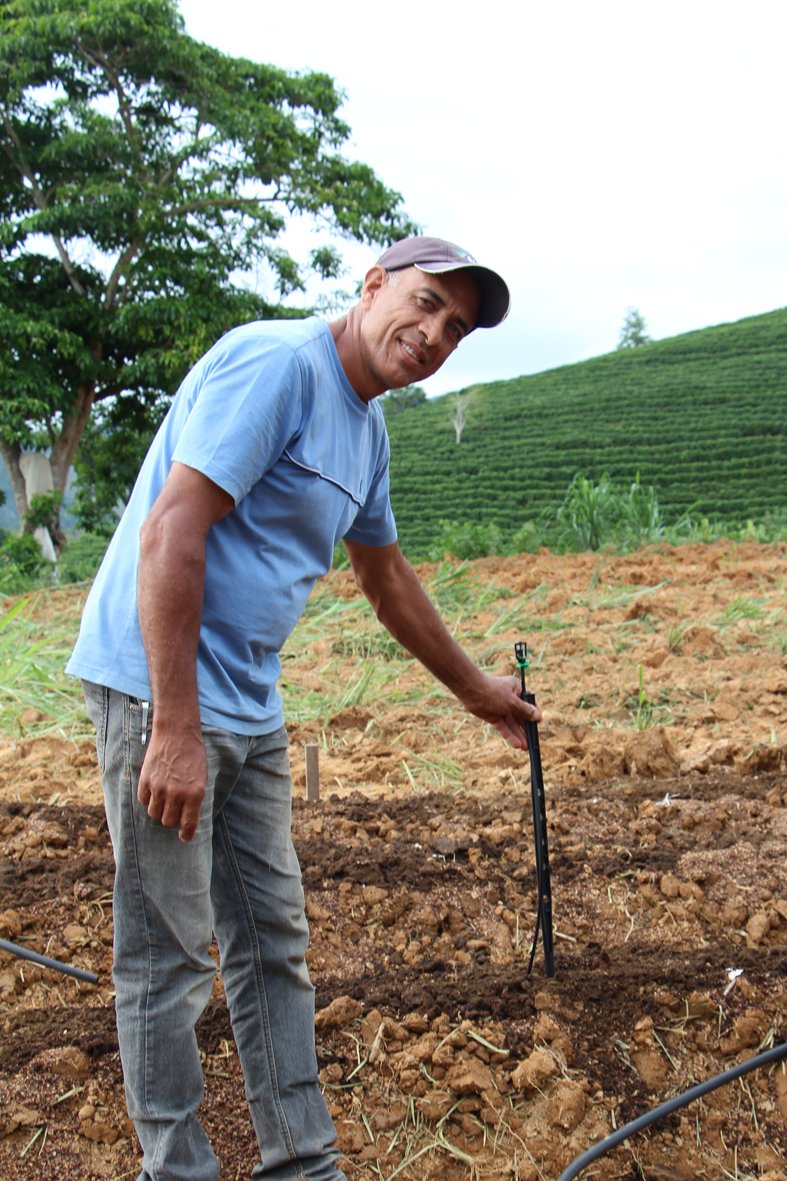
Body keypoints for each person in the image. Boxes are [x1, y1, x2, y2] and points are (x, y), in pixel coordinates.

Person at [67, 235, 542, 1181]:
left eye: (453, 328)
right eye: (424, 303)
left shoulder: (364, 433)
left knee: (272, 937)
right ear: (372, 285)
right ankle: (179, 1167)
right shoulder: (278, 366)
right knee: (168, 952)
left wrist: (478, 688)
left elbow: (386, 575)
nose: (433, 332)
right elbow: (172, 529)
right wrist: (173, 726)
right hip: (159, 688)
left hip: (247, 701)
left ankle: (301, 1161)